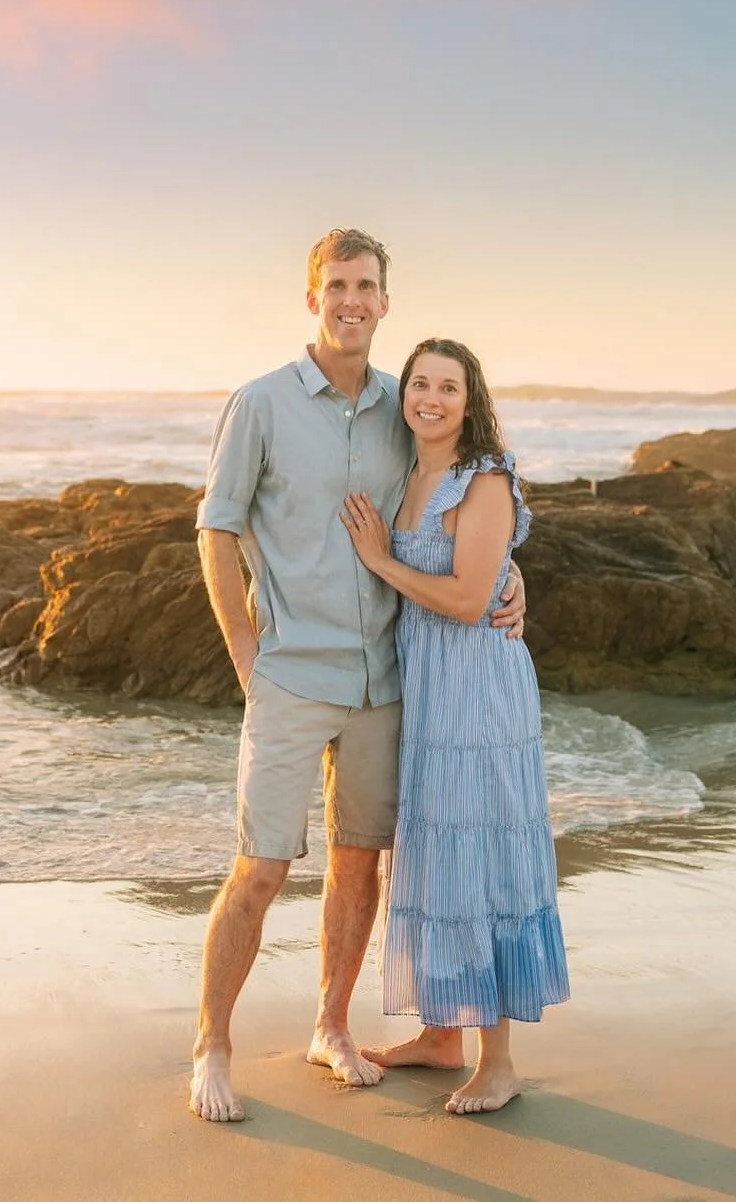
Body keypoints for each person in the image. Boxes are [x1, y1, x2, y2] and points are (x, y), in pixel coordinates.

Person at [190, 230, 526, 1123]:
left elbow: (457, 503)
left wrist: (508, 577)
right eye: (337, 285)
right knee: (261, 868)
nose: (351, 300)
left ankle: (331, 1027)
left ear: (384, 301)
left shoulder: (402, 406)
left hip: (388, 680)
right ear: (314, 298)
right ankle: (211, 1048)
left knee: (358, 863)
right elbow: (216, 530)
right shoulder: (260, 403)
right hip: (293, 677)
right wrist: (245, 656)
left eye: (366, 286)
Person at [340, 338, 569, 1115]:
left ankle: (497, 1062)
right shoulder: (407, 473)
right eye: (419, 384)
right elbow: (483, 573)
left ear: (471, 404)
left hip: (479, 693)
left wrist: (381, 561)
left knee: (482, 854)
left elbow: (472, 601)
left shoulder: (485, 477)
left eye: (448, 387)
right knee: (437, 851)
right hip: (429, 689)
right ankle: (442, 1036)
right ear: (402, 393)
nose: (430, 399)